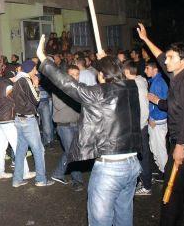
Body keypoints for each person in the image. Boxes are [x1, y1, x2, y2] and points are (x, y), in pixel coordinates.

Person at [37, 35, 142, 226]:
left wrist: (44, 61)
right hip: (132, 165)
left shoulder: (97, 94)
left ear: (101, 75)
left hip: (110, 168)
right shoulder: (131, 87)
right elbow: (117, 76)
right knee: (124, 217)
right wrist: (105, 61)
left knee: (100, 221)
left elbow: (68, 84)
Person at [137, 23, 184, 225]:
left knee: (171, 192)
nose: (166, 61)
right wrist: (146, 39)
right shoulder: (176, 76)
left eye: (171, 58)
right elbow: (160, 57)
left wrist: (179, 147)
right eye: (167, 57)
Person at [12, 60, 54, 188]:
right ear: (30, 69)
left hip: (18, 118)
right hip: (28, 120)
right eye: (35, 69)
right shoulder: (25, 80)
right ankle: (41, 179)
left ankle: (17, 179)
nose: (36, 72)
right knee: (39, 149)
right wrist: (35, 85)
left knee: (21, 150)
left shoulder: (17, 79)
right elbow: (36, 100)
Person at [0, 68, 33, 180]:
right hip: (7, 119)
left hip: (0, 119)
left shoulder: (0, 84)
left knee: (1, 147)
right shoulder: (9, 86)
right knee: (18, 146)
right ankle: (25, 172)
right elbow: (16, 100)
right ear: (12, 76)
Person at [50, 65, 83, 191]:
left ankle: (58, 173)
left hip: (76, 124)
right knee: (73, 152)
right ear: (66, 75)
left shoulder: (79, 87)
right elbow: (58, 105)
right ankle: (77, 181)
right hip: (64, 126)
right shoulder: (59, 87)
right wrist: (74, 94)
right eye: (72, 74)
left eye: (77, 74)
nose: (75, 77)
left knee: (70, 151)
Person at [123, 61, 151, 196]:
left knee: (142, 156)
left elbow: (143, 109)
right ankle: (142, 180)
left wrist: (137, 126)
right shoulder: (140, 80)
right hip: (139, 126)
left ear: (127, 72)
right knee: (139, 156)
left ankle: (146, 185)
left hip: (139, 127)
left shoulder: (136, 86)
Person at [144, 60, 168, 183]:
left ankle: (164, 172)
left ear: (155, 70)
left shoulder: (157, 83)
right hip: (156, 119)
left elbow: (159, 103)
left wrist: (152, 117)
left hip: (157, 120)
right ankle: (161, 169)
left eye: (147, 68)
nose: (145, 70)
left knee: (159, 147)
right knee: (155, 146)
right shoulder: (154, 81)